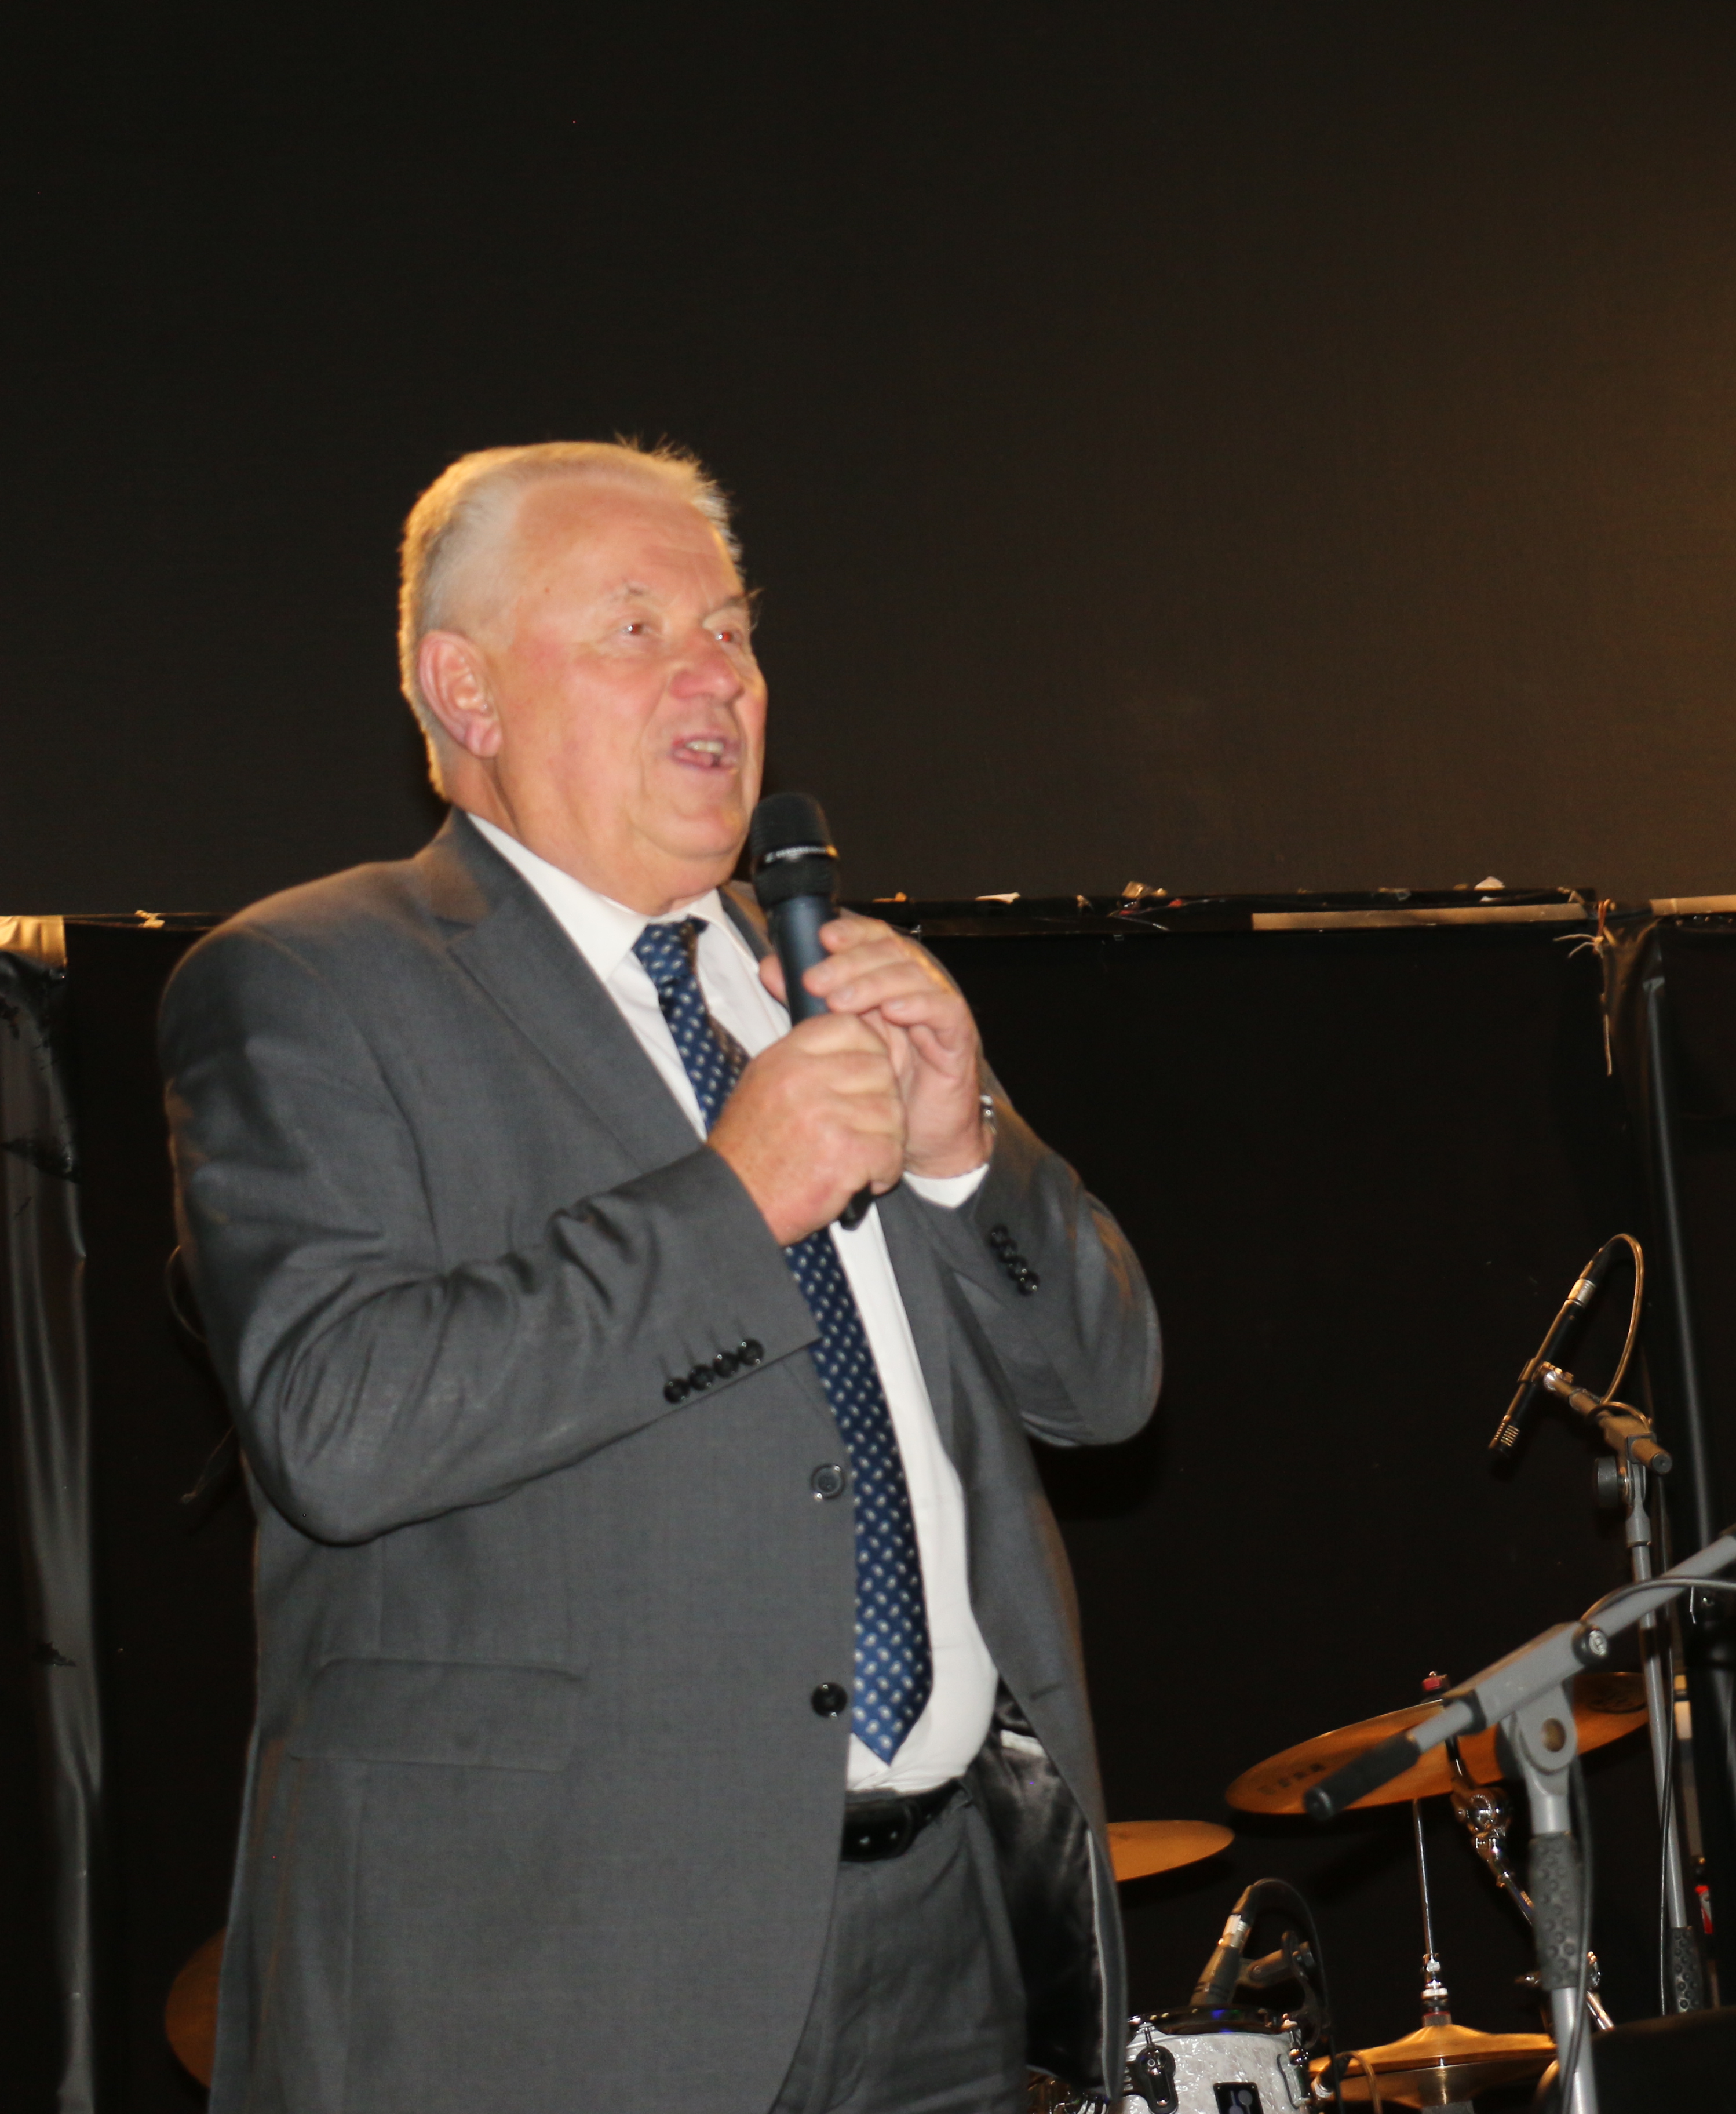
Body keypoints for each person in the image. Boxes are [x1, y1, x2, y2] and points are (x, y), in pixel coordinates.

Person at [161, 440, 1160, 2114]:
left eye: (732, 630)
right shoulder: (311, 981)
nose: (717, 676)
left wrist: (962, 1146)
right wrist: (732, 1199)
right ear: (463, 690)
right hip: (553, 1973)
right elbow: (339, 1425)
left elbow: (1105, 1392)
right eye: (636, 628)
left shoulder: (821, 979)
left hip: (942, 1956)